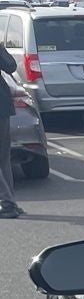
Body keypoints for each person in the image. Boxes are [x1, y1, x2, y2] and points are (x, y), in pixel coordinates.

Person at [0, 38, 19, 219]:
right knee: (3, 157)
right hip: (3, 104)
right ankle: (9, 200)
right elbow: (10, 65)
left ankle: (7, 203)